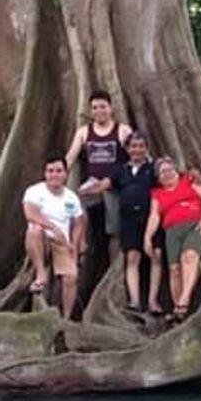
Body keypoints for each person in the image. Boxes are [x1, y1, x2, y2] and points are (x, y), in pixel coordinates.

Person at [79, 131, 165, 314]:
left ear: (146, 148)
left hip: (151, 218)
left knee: (155, 257)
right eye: (133, 146)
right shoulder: (120, 169)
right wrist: (85, 190)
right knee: (132, 258)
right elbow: (104, 184)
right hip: (128, 219)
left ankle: (153, 301)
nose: (137, 150)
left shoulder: (153, 169)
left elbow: (170, 178)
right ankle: (134, 301)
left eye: (141, 146)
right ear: (127, 149)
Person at [65, 89, 132, 266]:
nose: (99, 111)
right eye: (94, 108)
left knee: (114, 229)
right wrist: (59, 175)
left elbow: (136, 156)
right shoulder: (84, 132)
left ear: (111, 108)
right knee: (76, 203)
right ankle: (82, 248)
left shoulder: (122, 130)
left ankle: (114, 266)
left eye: (103, 106)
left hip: (114, 185)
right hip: (93, 184)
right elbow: (71, 156)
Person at [144, 157, 201, 320]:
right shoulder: (157, 194)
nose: (167, 174)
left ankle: (183, 301)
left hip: (195, 226)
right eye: (162, 172)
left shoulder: (190, 180)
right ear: (158, 178)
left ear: (177, 172)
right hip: (172, 232)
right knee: (174, 270)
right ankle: (180, 313)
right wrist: (147, 236)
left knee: (189, 256)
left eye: (170, 170)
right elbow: (154, 216)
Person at [23, 156, 86, 319]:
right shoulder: (34, 191)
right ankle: (41, 273)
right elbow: (30, 213)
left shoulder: (71, 197)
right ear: (45, 173)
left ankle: (66, 317)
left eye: (58, 171)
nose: (54, 175)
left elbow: (79, 223)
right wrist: (52, 227)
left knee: (71, 276)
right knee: (34, 230)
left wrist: (74, 245)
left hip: (62, 243)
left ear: (65, 174)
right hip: (41, 239)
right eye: (50, 171)